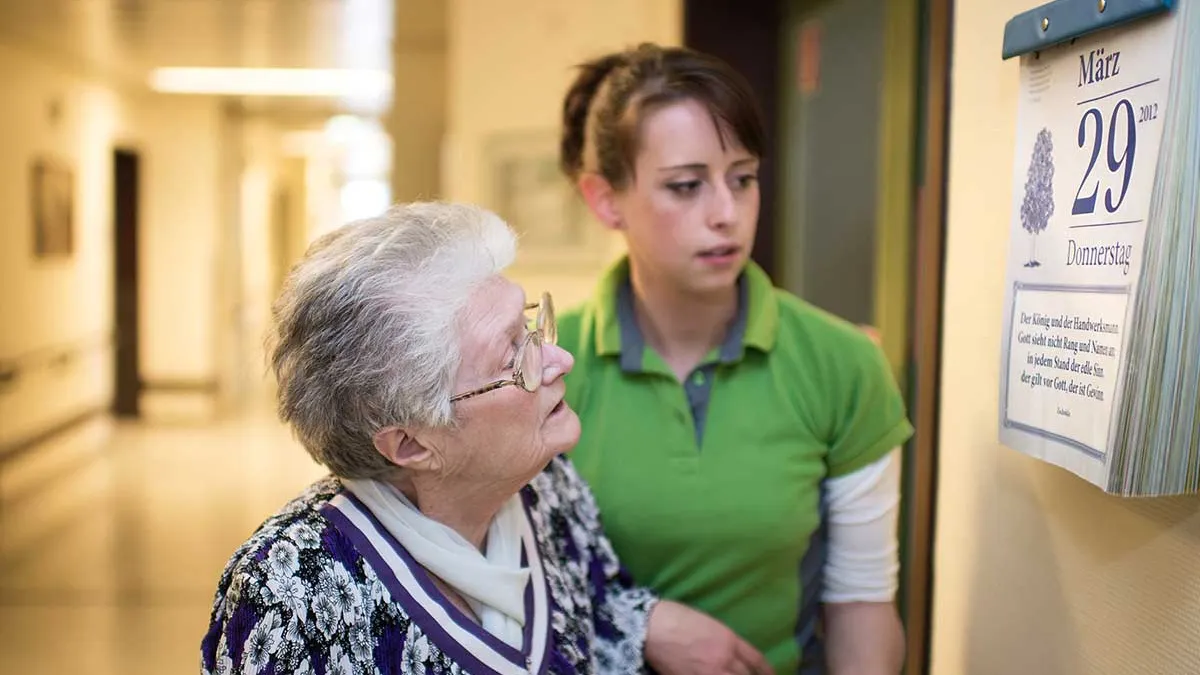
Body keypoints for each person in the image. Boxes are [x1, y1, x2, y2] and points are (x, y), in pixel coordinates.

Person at [198, 202, 773, 675]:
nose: (559, 358)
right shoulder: (290, 589)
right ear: (411, 445)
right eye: (514, 356)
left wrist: (649, 624)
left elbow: (594, 611)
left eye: (531, 326)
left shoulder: (547, 487)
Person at [555, 44, 915, 674]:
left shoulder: (843, 364)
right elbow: (510, 588)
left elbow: (860, 604)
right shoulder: (550, 370)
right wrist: (643, 624)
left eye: (742, 178)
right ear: (605, 199)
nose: (726, 214)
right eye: (686, 186)